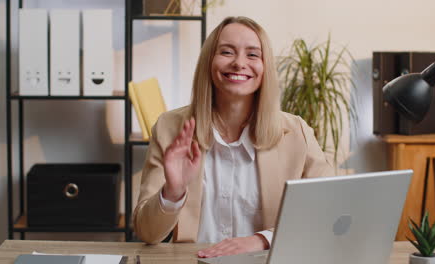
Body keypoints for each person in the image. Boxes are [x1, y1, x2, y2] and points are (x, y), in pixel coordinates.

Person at [133, 16, 333, 258]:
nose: (239, 63)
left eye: (252, 55)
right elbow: (147, 232)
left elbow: (329, 213)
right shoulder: (170, 128)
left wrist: (262, 239)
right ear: (209, 61)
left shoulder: (296, 132)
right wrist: (173, 192)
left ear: (265, 66)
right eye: (227, 52)